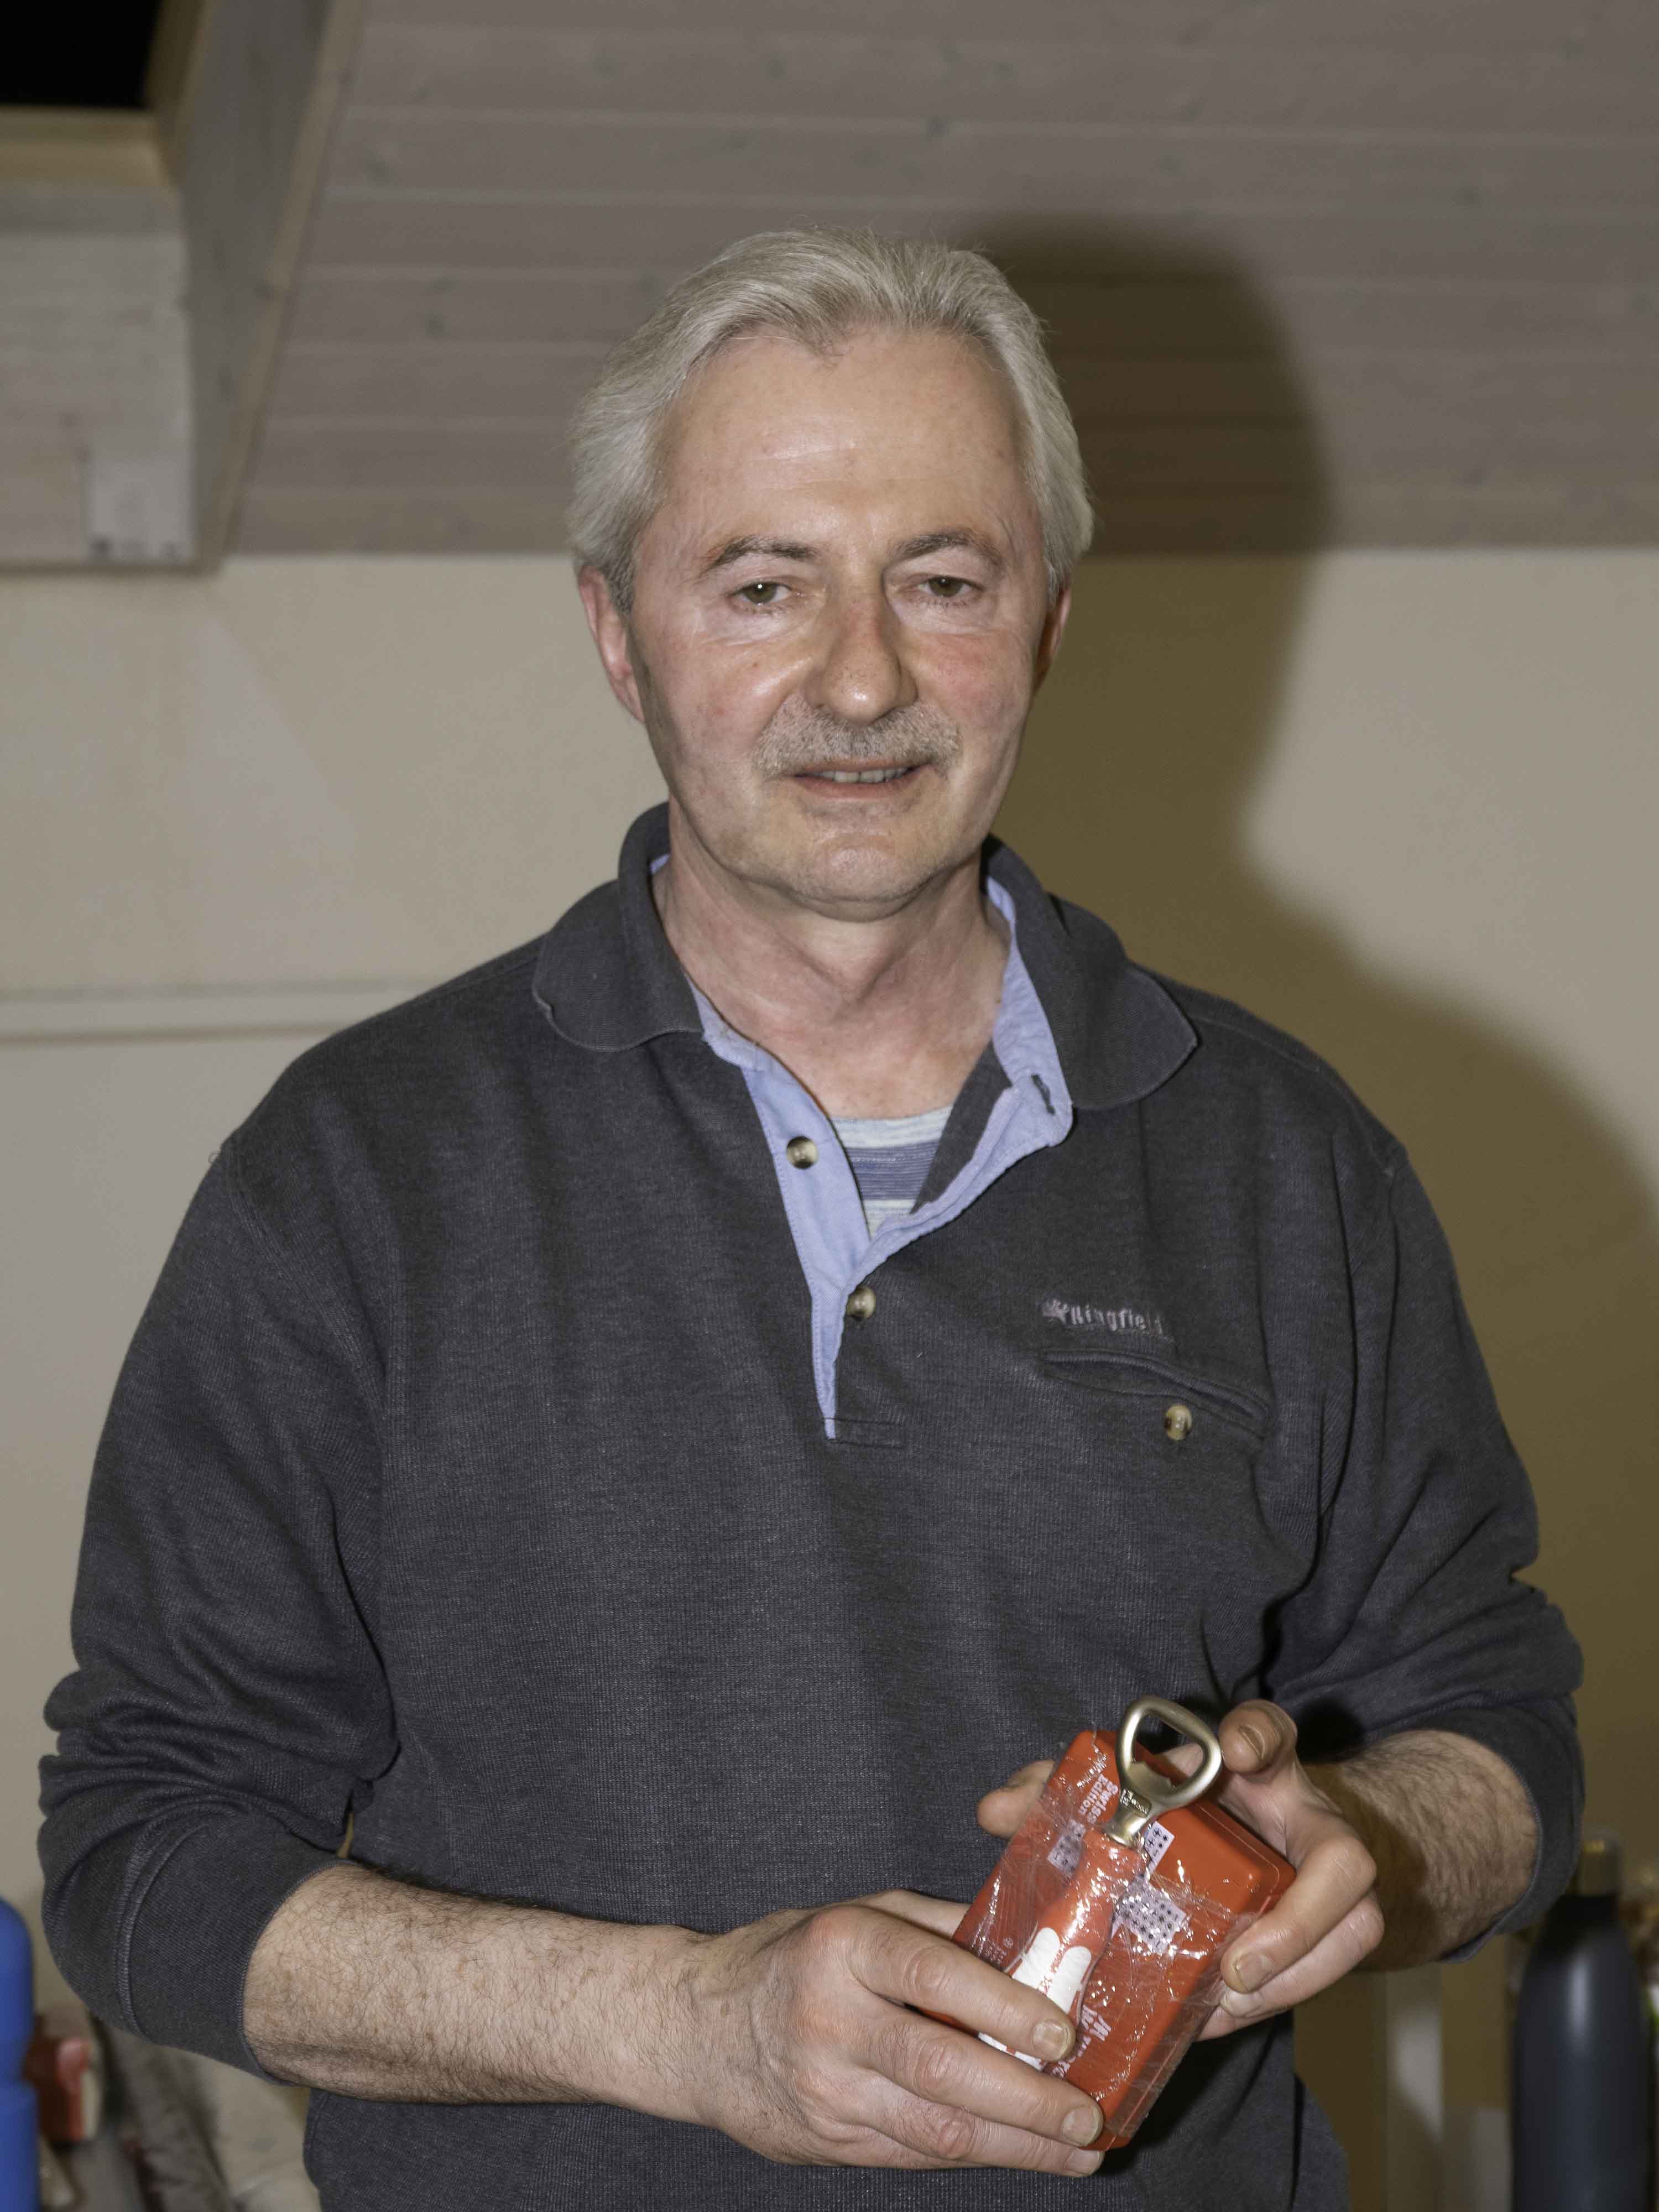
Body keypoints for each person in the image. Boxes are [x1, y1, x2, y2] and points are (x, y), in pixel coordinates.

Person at [40, 229, 1581, 2210]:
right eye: (764, 585)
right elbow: (142, 1856)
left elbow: (1498, 1729)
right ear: (619, 633)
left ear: (1047, 624)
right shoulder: (354, 1177)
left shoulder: (1289, 1163)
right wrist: (687, 2025)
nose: (863, 678)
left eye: (944, 582)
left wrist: (1370, 1833)